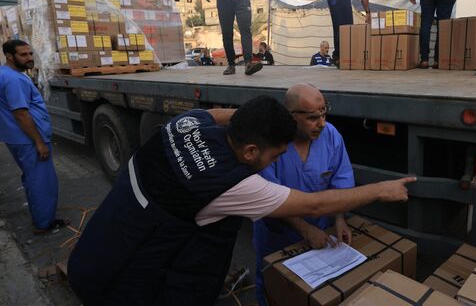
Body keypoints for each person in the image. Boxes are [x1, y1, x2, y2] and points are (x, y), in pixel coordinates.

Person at [67, 95, 417, 306]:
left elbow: (228, 114)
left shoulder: (184, 125)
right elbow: (312, 206)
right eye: (273, 156)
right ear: (251, 151)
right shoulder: (231, 184)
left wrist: (276, 115)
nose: (274, 164)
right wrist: (380, 190)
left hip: (98, 250)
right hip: (120, 284)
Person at [253, 84, 354, 305]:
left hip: (322, 232)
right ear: (291, 116)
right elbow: (270, 198)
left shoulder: (331, 136)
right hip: (277, 235)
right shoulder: (271, 143)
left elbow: (341, 179)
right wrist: (305, 229)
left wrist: (339, 218)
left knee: (315, 292)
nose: (322, 123)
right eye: (312, 118)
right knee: (274, 288)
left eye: (324, 113)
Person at [0, 40, 68, 234]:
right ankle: (44, 223)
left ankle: (41, 217)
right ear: (10, 56)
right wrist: (39, 142)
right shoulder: (14, 79)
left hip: (18, 138)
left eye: (30, 54)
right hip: (28, 140)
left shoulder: (4, 74)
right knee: (42, 182)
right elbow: (20, 113)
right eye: (24, 55)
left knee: (33, 178)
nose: (29, 58)